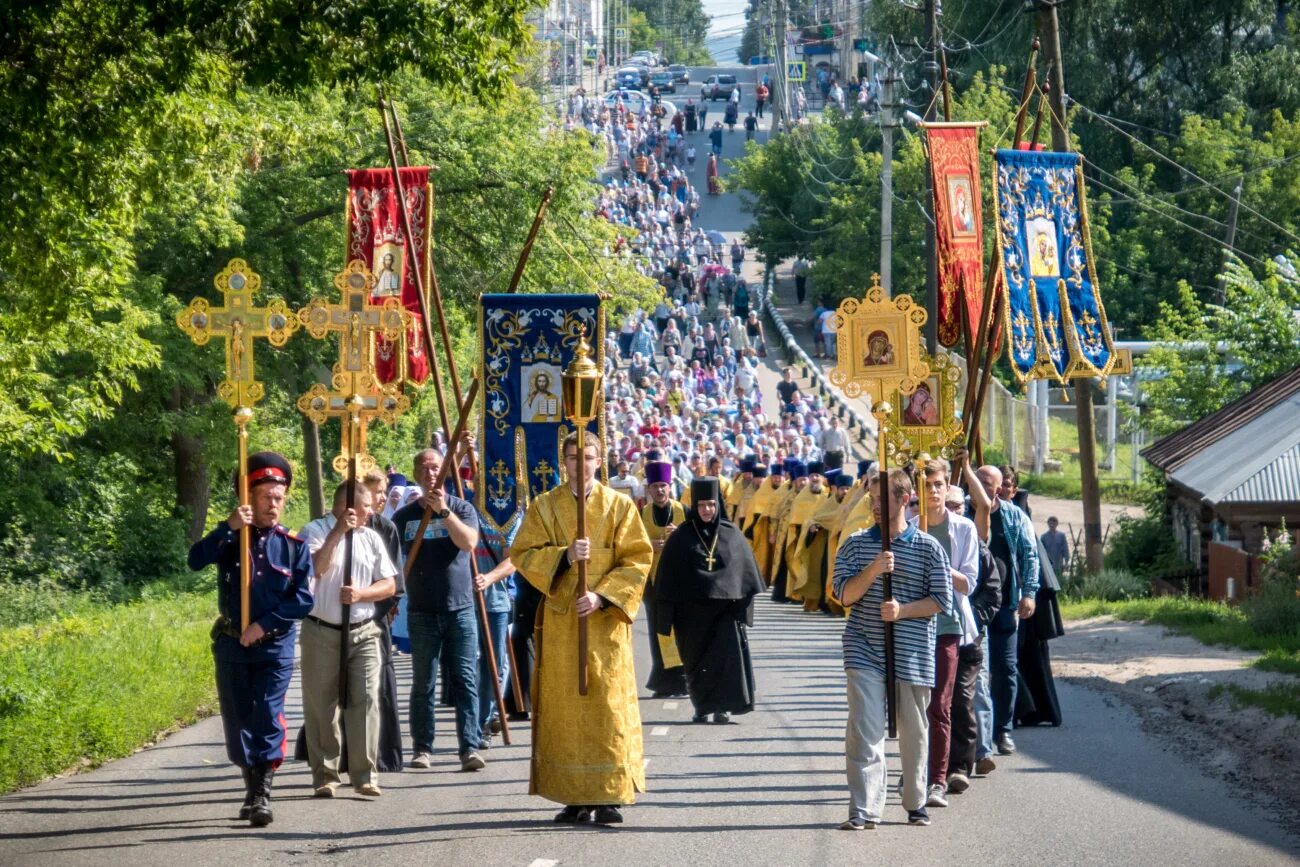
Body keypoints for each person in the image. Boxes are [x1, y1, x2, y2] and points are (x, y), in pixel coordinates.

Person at [510, 431, 654, 826]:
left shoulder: (619, 506)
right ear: (564, 461)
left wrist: (603, 596)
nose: (581, 463)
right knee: (565, 707)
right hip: (562, 621)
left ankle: (610, 795)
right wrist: (565, 555)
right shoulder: (545, 506)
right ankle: (573, 796)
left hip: (604, 624)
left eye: (588, 456)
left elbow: (637, 560)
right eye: (573, 457)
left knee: (606, 705)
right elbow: (521, 553)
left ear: (599, 459)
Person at [186, 451, 313, 827]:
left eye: (279, 497)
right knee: (239, 718)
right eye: (266, 497)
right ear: (249, 497)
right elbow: (195, 560)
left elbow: (303, 598)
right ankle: (250, 784)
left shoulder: (293, 544)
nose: (273, 504)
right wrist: (227, 527)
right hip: (231, 643)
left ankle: (262, 794)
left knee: (267, 714)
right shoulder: (230, 538)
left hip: (274, 644)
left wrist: (266, 624)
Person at [833, 469, 952, 830]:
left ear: (904, 499)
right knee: (865, 729)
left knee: (915, 732)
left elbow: (940, 600)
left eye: (882, 500)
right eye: (872, 500)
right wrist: (873, 570)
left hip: (912, 652)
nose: (875, 507)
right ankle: (864, 808)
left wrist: (903, 610)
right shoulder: (855, 543)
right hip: (864, 647)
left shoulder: (928, 546)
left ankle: (915, 801)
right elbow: (843, 595)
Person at [298, 481, 397, 798]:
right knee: (321, 705)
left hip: (364, 630)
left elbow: (390, 585)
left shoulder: (371, 538)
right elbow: (315, 568)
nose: (373, 510)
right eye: (368, 505)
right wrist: (339, 531)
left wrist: (361, 594)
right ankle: (325, 774)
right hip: (321, 629)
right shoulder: (313, 531)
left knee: (366, 700)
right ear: (349, 506)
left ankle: (365, 774)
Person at [392, 448, 486, 772]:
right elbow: (389, 558)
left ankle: (469, 747)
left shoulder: (461, 508)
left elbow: (469, 543)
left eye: (436, 467)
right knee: (423, 684)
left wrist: (444, 512)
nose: (431, 473)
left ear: (444, 472)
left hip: (459, 609)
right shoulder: (403, 517)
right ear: (416, 473)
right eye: (425, 468)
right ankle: (422, 748)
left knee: (464, 679)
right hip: (421, 612)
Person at [656, 477, 764, 724]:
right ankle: (702, 706)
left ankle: (722, 707)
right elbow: (667, 580)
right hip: (690, 616)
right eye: (702, 505)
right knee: (696, 663)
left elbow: (746, 575)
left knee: (724, 662)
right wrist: (667, 617)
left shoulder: (731, 534)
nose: (707, 510)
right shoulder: (681, 537)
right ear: (695, 506)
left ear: (718, 505)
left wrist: (741, 610)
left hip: (723, 613)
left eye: (711, 505)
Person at [911, 461, 979, 810]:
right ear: (916, 489)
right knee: (912, 708)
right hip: (912, 627)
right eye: (926, 485)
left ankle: (937, 779)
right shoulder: (907, 529)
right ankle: (914, 773)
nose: (933, 491)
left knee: (939, 705)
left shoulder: (963, 529)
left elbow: (969, 582)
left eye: (938, 484)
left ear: (946, 485)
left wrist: (940, 565)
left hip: (948, 627)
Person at [974, 465, 1039, 756]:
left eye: (988, 483)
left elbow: (1029, 555)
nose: (983, 486)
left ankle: (1003, 729)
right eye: (978, 481)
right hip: (972, 605)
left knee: (1005, 669)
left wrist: (1029, 593)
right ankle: (977, 735)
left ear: (1000, 488)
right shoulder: (962, 514)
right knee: (975, 671)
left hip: (1006, 603)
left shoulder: (1014, 517)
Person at [640, 460, 688, 698]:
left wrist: (678, 537)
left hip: (680, 582)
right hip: (652, 583)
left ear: (670, 487)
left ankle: (682, 681)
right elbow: (631, 546)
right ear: (649, 489)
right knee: (657, 630)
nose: (660, 490)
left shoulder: (684, 511)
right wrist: (650, 546)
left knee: (680, 630)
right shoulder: (641, 514)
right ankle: (663, 682)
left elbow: (699, 544)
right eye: (656, 486)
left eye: (664, 486)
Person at [473, 501, 517, 747]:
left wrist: (488, 578)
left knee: (494, 665)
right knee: (472, 664)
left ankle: (486, 720)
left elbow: (513, 560)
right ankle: (477, 722)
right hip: (464, 601)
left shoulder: (508, 514)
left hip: (496, 601)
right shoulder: (465, 509)